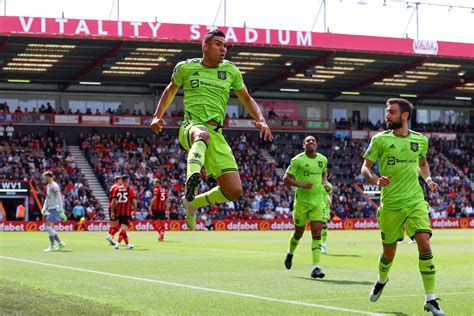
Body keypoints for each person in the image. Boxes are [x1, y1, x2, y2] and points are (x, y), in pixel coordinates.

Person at [150, 29, 273, 231]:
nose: (223, 49)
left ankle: (192, 203)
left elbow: (246, 98)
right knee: (202, 135)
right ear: (205, 46)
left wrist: (261, 119)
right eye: (218, 44)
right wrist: (157, 115)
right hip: (191, 126)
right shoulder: (185, 68)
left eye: (225, 46)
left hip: (217, 134)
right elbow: (170, 89)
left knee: (234, 191)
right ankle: (193, 180)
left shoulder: (231, 71)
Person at [361, 98, 444, 315]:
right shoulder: (379, 140)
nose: (387, 116)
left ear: (404, 116)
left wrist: (428, 179)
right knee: (389, 252)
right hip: (391, 204)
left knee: (424, 244)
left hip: (415, 201)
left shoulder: (420, 140)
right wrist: (375, 179)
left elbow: (423, 163)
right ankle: (381, 280)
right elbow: (365, 168)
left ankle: (430, 299)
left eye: (391, 112)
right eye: (387, 112)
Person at [282, 136, 330, 279]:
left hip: (317, 202)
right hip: (302, 203)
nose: (311, 142)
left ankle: (316, 267)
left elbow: (323, 173)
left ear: (317, 144)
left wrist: (325, 182)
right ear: (304, 145)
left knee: (317, 233)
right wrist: (302, 185)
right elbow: (286, 179)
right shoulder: (297, 160)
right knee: (299, 233)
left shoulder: (323, 159)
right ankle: (290, 253)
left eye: (313, 141)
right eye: (308, 141)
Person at [41, 171, 66, 252]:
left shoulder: (54, 186)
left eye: (45, 177)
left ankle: (53, 246)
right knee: (49, 228)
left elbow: (59, 197)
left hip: (55, 209)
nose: (44, 179)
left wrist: (61, 209)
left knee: (48, 227)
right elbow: (47, 198)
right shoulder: (48, 186)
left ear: (48, 177)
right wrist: (44, 208)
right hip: (51, 209)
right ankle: (60, 242)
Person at [110, 175, 136, 250]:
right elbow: (134, 201)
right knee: (123, 229)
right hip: (126, 212)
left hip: (118, 212)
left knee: (122, 228)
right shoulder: (130, 189)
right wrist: (134, 210)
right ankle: (117, 244)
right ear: (127, 181)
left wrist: (112, 212)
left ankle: (128, 244)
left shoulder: (117, 189)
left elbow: (113, 201)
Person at [106, 175, 122, 246]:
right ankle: (111, 236)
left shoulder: (112, 187)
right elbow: (114, 199)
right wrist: (117, 207)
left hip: (110, 206)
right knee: (118, 223)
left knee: (112, 223)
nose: (122, 181)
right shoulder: (116, 187)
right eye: (121, 180)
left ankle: (110, 237)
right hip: (114, 207)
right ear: (118, 180)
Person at [321, 182, 333, 254]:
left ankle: (323, 244)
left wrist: (330, 199)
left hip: (325, 207)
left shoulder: (329, 185)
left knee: (324, 225)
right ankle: (319, 244)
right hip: (317, 205)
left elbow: (330, 193)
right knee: (318, 226)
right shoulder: (316, 183)